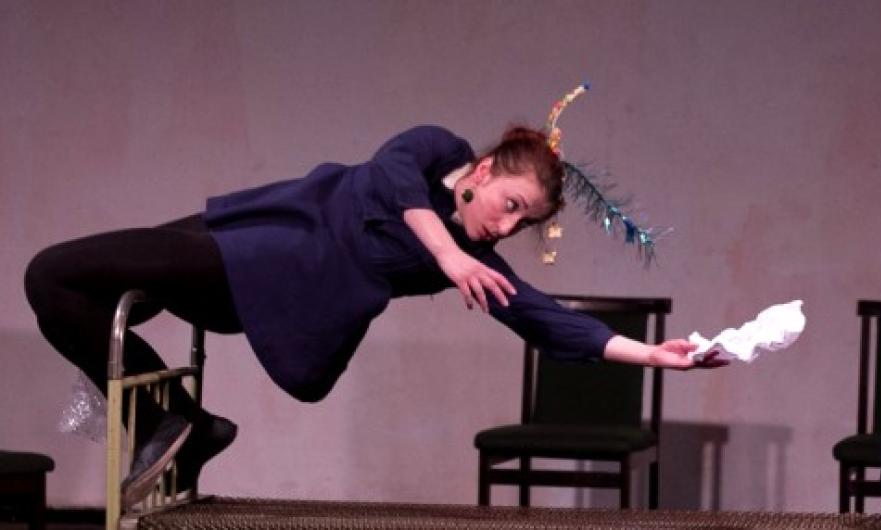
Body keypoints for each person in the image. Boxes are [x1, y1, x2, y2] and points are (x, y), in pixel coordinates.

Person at [24, 124, 724, 508]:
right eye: (510, 206)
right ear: (482, 170)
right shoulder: (435, 152)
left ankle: (174, 422)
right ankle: (182, 424)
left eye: (525, 223)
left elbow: (548, 320)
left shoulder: (474, 259)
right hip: (252, 227)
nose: (508, 228)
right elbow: (391, 174)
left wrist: (653, 356)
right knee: (67, 286)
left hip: (271, 277)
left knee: (51, 271)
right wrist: (448, 256)